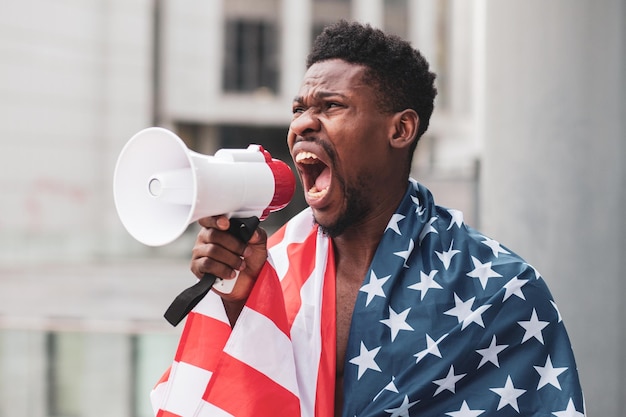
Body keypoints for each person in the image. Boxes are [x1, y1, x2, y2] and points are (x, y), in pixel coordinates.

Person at [151, 20, 585, 417]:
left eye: (332, 106)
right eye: (299, 109)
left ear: (400, 130)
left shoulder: (500, 289)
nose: (303, 124)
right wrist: (234, 304)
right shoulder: (271, 266)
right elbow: (231, 396)